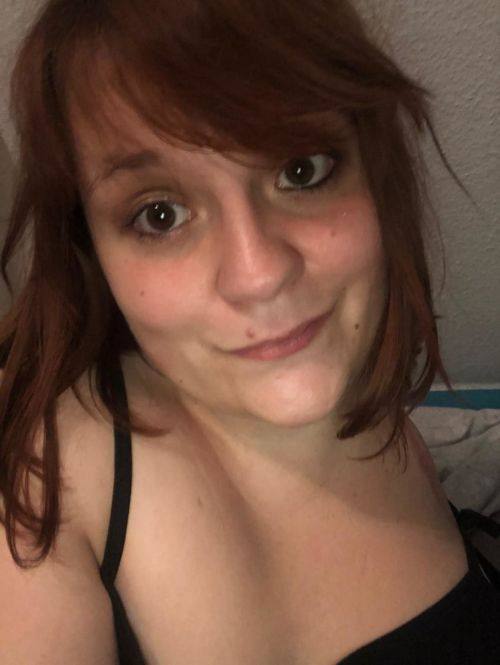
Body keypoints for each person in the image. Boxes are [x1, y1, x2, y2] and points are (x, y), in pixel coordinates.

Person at [0, 1, 499, 663]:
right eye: (160, 213)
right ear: (90, 249)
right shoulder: (54, 482)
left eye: (301, 170)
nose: (260, 275)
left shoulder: (359, 377)